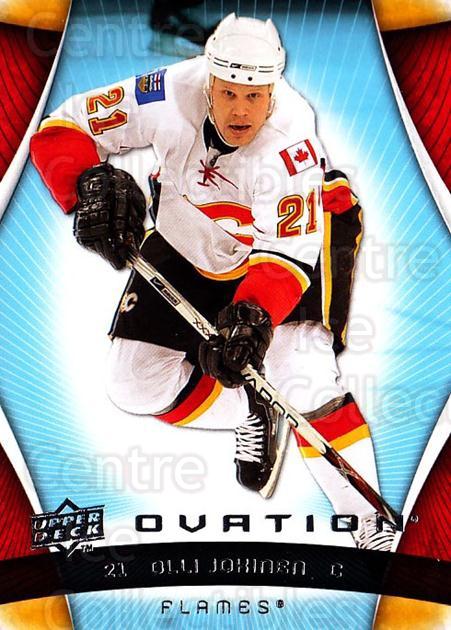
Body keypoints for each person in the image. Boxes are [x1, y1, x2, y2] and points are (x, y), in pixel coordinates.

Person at [30, 13, 394, 550]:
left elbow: (285, 260)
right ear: (209, 82)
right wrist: (85, 182)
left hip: (289, 247)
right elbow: (65, 123)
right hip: (190, 231)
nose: (241, 110)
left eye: (254, 96)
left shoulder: (290, 142)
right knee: (132, 383)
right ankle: (253, 405)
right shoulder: (167, 92)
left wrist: (253, 319)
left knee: (302, 375)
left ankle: (370, 523)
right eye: (229, 93)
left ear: (272, 92)